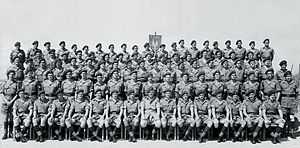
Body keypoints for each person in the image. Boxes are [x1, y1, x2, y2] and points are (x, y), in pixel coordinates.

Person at [278, 71, 299, 138]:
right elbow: (279, 93)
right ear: (285, 77)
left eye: (289, 76)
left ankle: (292, 132)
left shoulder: (295, 83)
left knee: (291, 118)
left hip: (292, 101)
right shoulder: (282, 83)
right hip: (284, 101)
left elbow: (297, 94)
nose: (288, 77)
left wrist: (296, 103)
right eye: (287, 76)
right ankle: (283, 132)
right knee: (284, 117)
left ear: (291, 76)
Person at [1, 70, 18, 139]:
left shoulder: (16, 84)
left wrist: (11, 101)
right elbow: (1, 93)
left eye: (13, 74)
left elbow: (17, 94)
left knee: (11, 118)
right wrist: (6, 101)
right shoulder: (4, 83)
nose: (11, 76)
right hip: (5, 102)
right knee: (5, 118)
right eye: (10, 74)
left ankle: (10, 132)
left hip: (13, 101)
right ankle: (5, 133)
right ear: (8, 75)